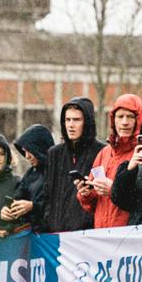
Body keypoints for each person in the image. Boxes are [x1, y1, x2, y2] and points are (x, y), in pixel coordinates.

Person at [77, 93, 142, 229]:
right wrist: (86, 193)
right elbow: (92, 204)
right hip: (102, 235)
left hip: (130, 234)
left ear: (139, 120)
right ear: (113, 120)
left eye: (130, 117)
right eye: (120, 117)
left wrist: (114, 190)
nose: (125, 122)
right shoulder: (104, 153)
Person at [44, 97, 105, 233]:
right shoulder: (54, 153)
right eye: (67, 120)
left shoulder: (102, 152)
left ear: (87, 122)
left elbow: (103, 197)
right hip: (56, 236)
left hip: (87, 235)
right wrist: (49, 220)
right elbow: (47, 195)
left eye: (76, 120)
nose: (71, 125)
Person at [2, 124, 54, 233]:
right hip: (33, 236)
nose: (27, 156)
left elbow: (60, 207)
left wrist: (33, 207)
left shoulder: (58, 171)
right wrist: (9, 211)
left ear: (40, 148)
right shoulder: (30, 173)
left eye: (30, 151)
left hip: (52, 237)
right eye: (24, 151)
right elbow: (18, 197)